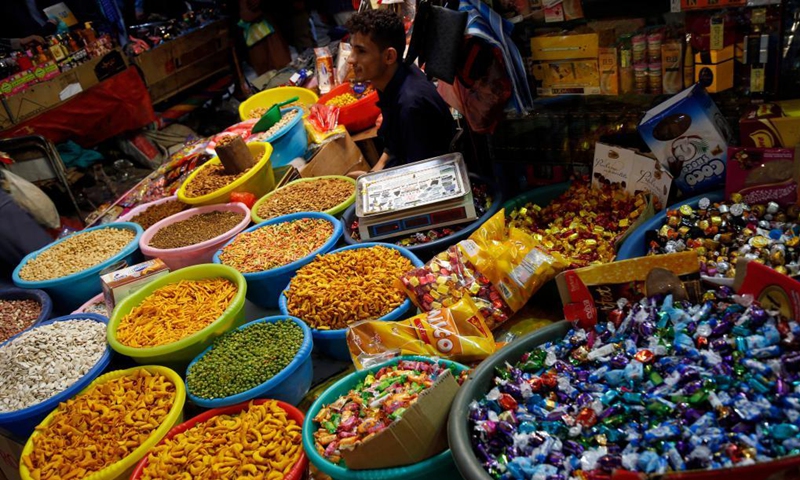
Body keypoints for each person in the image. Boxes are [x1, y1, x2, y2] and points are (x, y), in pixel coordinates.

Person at [345, 9, 456, 178]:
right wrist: (374, 172)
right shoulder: (390, 76)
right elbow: (394, 142)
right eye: (352, 49)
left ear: (389, 56)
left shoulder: (410, 104)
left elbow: (421, 177)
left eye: (361, 51)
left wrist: (376, 181)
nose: (350, 59)